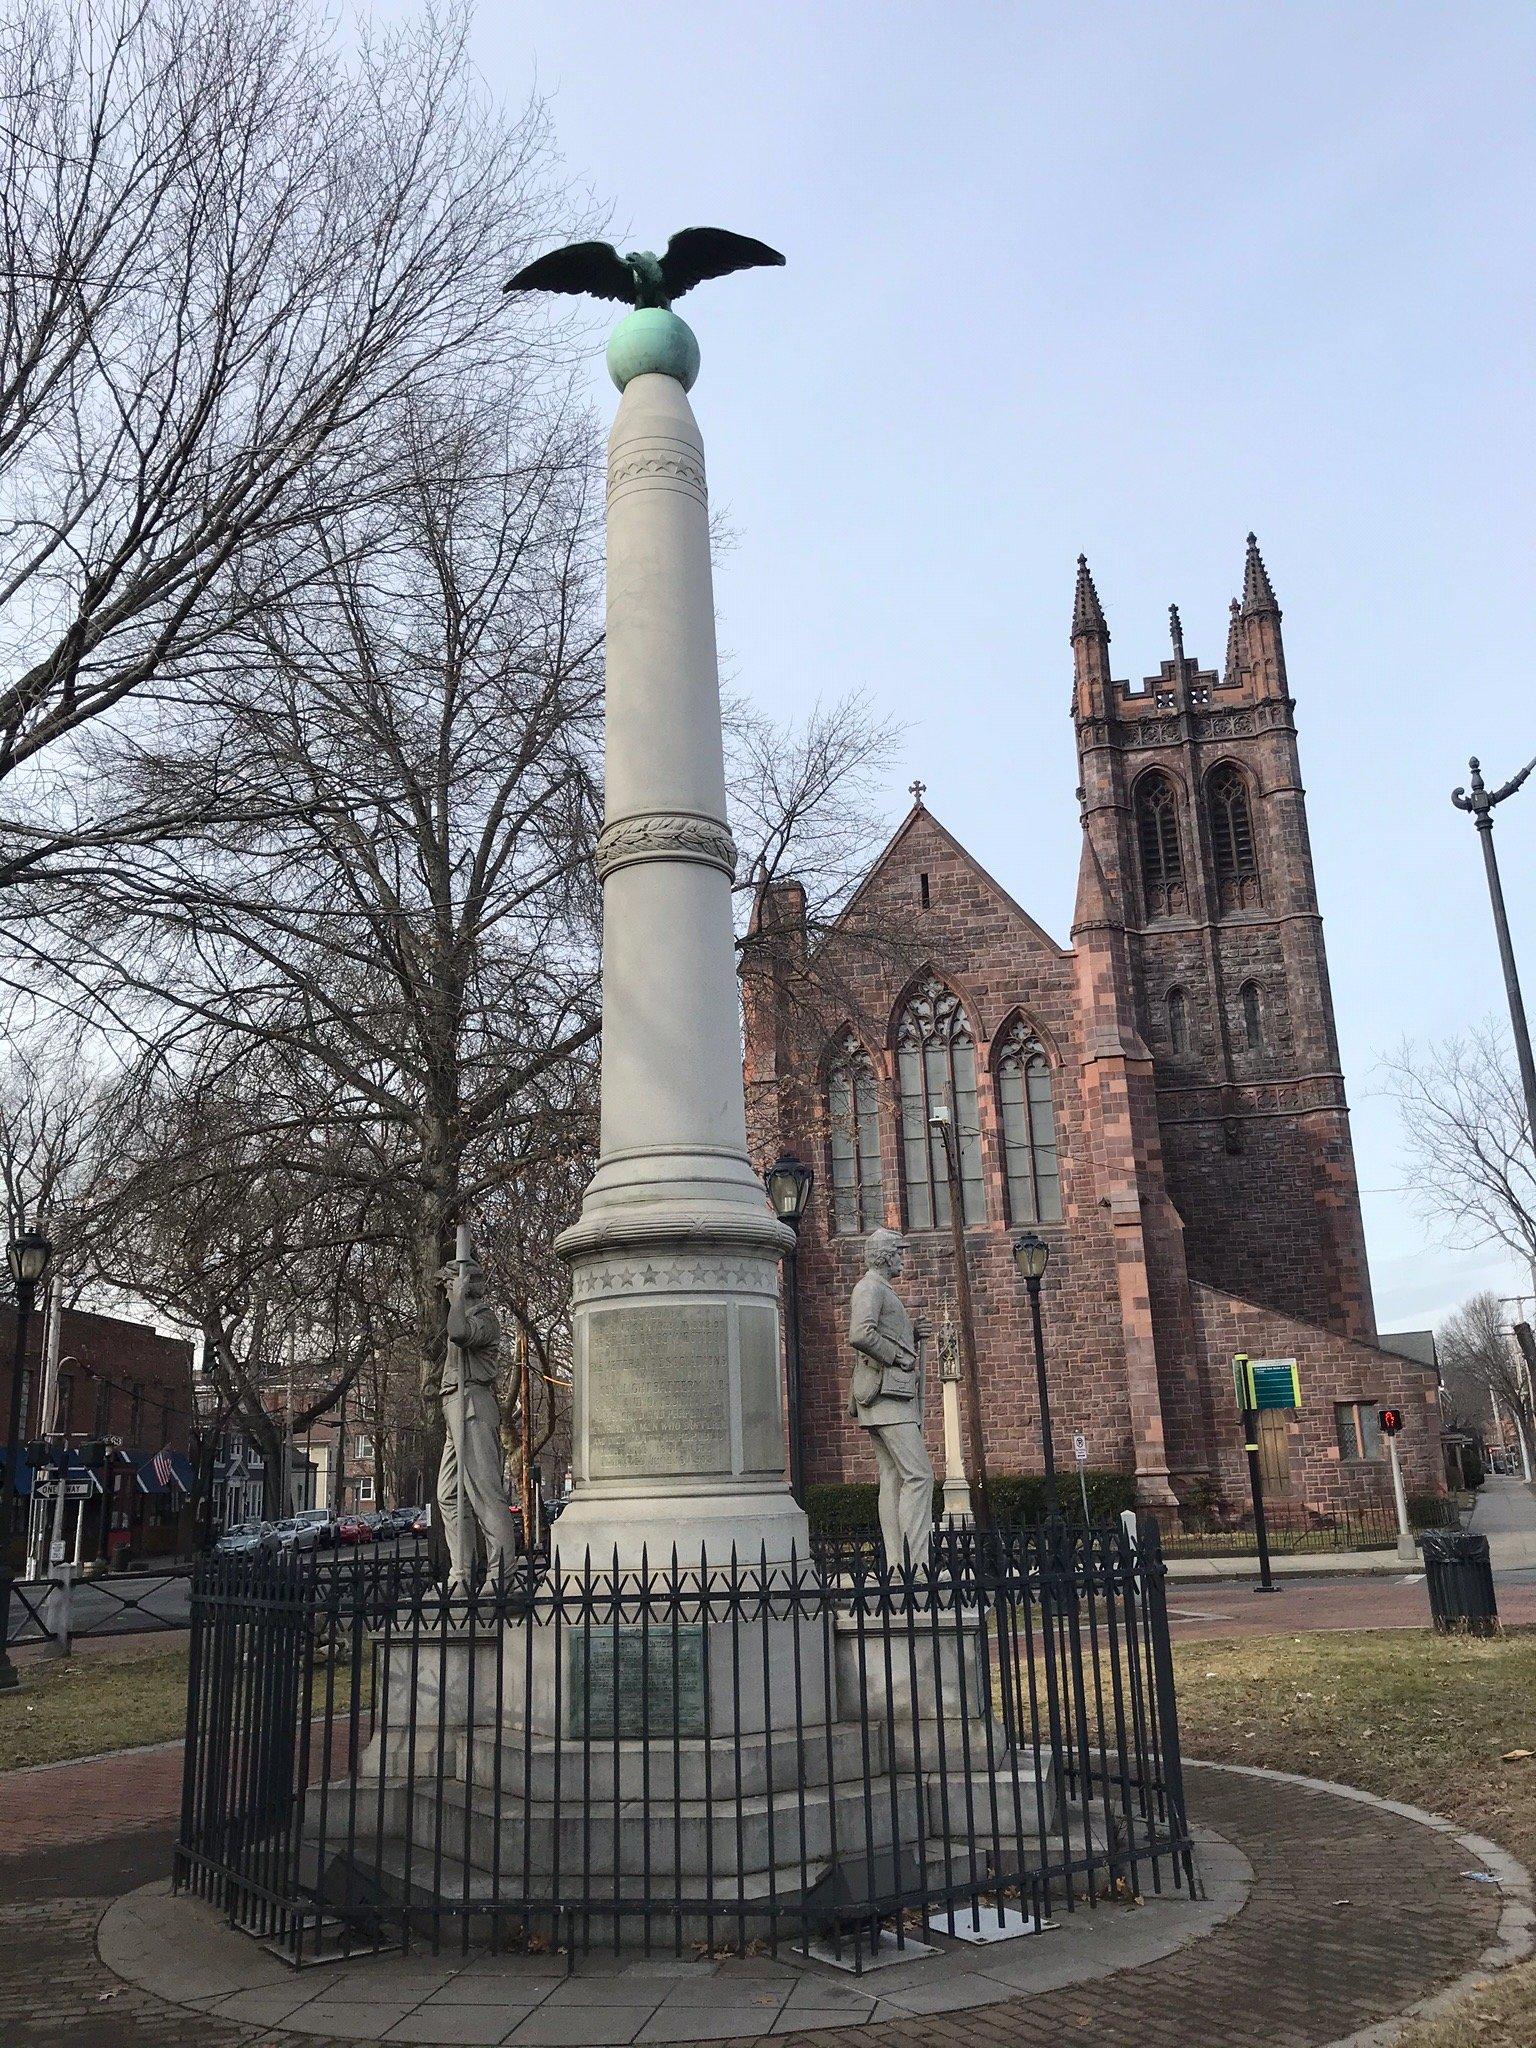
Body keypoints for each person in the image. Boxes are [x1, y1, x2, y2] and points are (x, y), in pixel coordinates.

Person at [847, 1228, 934, 1570]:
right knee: (919, 1476)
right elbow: (861, 1333)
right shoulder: (870, 1287)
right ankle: (918, 1565)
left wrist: (913, 1335)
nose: (902, 1257)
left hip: (887, 1395)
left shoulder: (881, 1289)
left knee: (893, 1477)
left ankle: (898, 1565)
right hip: (887, 1396)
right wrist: (898, 1357)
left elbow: (881, 1333)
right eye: (897, 1252)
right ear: (884, 1255)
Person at [437, 1255, 521, 1598]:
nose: (444, 1290)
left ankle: (502, 1575)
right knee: (449, 1495)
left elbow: (458, 1333)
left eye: (448, 1283)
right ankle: (462, 1574)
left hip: (471, 1405)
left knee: (484, 1493)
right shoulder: (464, 1312)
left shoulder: (483, 1318)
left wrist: (458, 1296)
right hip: (453, 1405)